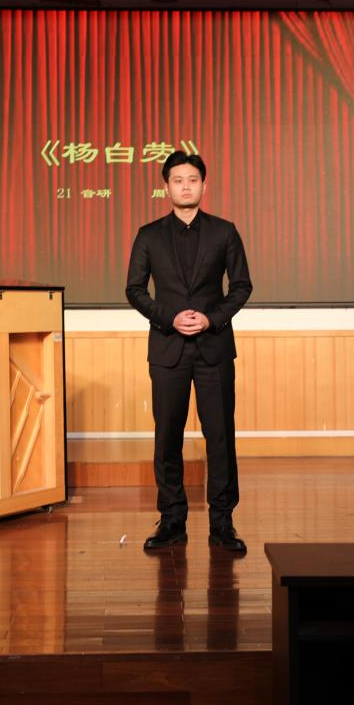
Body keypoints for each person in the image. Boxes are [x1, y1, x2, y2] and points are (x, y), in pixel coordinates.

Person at [125, 151, 253, 552]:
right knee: (167, 437)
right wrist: (170, 318)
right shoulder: (149, 235)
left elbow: (242, 286)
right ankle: (172, 520)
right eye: (178, 180)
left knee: (220, 437)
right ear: (166, 187)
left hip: (214, 348)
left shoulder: (224, 232)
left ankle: (222, 523)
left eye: (193, 180)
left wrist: (211, 319)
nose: (185, 186)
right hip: (168, 349)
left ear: (204, 185)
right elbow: (134, 289)